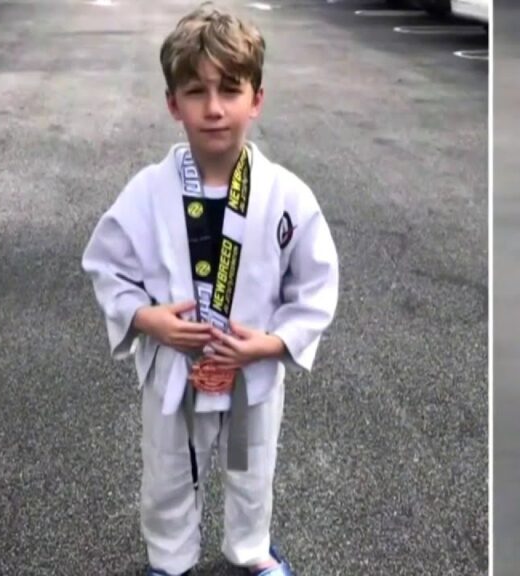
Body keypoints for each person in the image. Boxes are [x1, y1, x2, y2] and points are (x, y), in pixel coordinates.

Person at [82, 3, 339, 575]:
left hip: (251, 372)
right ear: (173, 104)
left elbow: (315, 284)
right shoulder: (148, 192)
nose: (215, 108)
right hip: (175, 372)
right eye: (196, 91)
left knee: (252, 470)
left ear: (257, 99)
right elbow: (107, 265)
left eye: (230, 89)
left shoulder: (286, 196)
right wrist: (146, 320)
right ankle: (169, 561)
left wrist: (271, 344)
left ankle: (252, 551)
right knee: (167, 472)